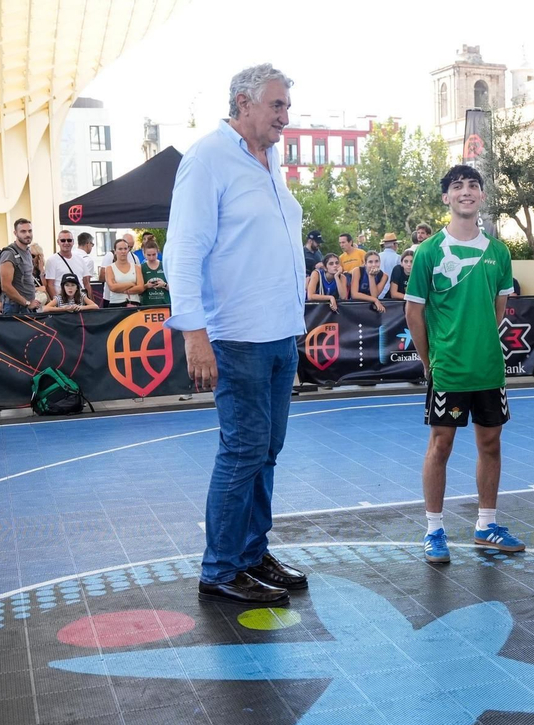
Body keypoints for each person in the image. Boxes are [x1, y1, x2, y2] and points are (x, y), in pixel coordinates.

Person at [166, 62, 309, 605]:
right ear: (244, 103)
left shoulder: (270, 161)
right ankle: (222, 568)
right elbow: (183, 251)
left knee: (266, 450)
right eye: (277, 105)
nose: (286, 117)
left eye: (287, 106)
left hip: (278, 334)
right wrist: (194, 335)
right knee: (244, 449)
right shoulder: (207, 158)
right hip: (237, 334)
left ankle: (251, 552)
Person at [404, 163, 523, 564]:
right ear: (446, 197)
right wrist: (429, 360)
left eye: (473, 185)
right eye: (458, 186)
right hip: (450, 370)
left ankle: (486, 525)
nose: (466, 191)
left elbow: (498, 309)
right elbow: (413, 314)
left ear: (482, 195)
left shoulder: (499, 252)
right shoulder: (428, 252)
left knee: (491, 444)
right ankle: (434, 530)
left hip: (488, 369)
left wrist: (480, 341)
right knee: (441, 445)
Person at [0, 218, 41, 314]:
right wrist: (26, 303)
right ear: (15, 233)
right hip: (15, 307)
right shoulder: (9, 253)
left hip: (27, 306)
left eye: (30, 231)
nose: (27, 234)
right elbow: (6, 286)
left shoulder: (27, 251)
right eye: (23, 231)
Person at [43, 230, 93, 301]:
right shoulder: (51, 261)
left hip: (80, 301)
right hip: (62, 301)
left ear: (73, 242)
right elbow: (50, 285)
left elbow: (86, 283)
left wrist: (89, 300)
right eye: (63, 240)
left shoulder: (80, 259)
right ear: (58, 242)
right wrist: (58, 303)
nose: (66, 243)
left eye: (69, 240)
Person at [99, 238, 145, 306]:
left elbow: (141, 287)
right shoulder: (109, 268)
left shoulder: (136, 267)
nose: (123, 251)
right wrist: (131, 284)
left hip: (134, 303)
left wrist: (121, 288)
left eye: (125, 249)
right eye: (120, 249)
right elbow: (112, 287)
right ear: (115, 251)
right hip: (116, 304)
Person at [140, 239, 170, 307]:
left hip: (165, 305)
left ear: (157, 252)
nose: (151, 258)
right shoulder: (141, 268)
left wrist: (164, 285)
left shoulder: (165, 266)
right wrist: (146, 286)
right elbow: (138, 290)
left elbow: (174, 288)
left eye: (154, 254)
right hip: (147, 306)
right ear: (144, 254)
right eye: (149, 255)